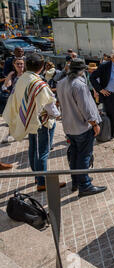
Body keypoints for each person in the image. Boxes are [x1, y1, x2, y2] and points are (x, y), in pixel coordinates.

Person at [3, 53, 65, 191]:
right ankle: (42, 181)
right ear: (42, 67)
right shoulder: (39, 83)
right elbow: (50, 106)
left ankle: (37, 176)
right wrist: (58, 115)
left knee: (33, 148)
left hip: (29, 119)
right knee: (43, 151)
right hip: (41, 122)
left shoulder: (22, 79)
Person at [56, 59, 107, 197]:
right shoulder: (79, 85)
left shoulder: (61, 83)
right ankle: (85, 185)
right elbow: (86, 108)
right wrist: (95, 124)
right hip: (81, 126)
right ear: (82, 70)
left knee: (74, 155)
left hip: (68, 125)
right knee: (84, 155)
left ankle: (77, 181)